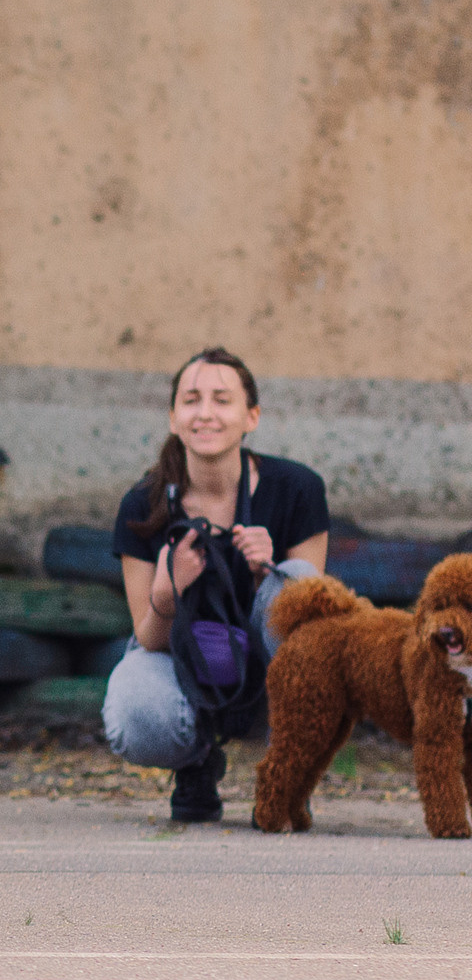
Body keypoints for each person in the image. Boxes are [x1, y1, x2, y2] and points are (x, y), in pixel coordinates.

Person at [103, 347, 329, 822]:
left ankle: (289, 773)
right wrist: (167, 593)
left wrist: (267, 571)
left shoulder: (296, 489)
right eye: (191, 400)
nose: (205, 413)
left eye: (222, 400)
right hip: (183, 660)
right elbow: (148, 638)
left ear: (252, 417)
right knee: (138, 711)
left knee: (299, 583)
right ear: (172, 417)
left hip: (269, 672)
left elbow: (316, 633)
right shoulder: (142, 505)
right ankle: (196, 763)